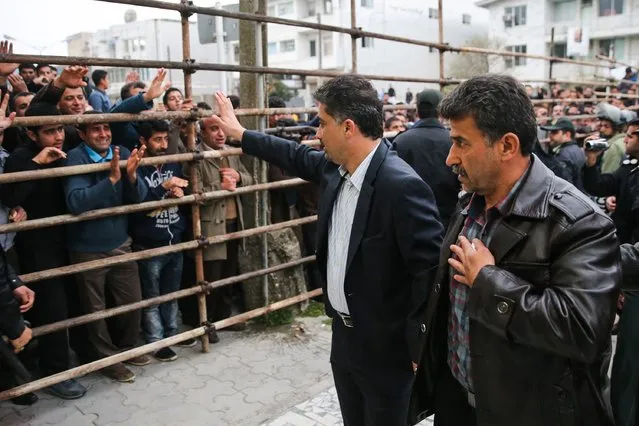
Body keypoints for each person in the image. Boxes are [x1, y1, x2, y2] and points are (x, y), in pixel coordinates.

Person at [209, 74, 443, 425]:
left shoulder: (401, 186)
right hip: (345, 340)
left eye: (322, 122)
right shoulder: (336, 170)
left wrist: (419, 347)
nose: (317, 132)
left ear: (348, 127)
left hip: (387, 352)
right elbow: (293, 155)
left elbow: (429, 273)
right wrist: (241, 134)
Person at [413, 74, 620, 426]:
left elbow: (582, 332)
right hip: (457, 404)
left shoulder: (579, 222)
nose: (450, 158)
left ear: (506, 146)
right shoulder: (470, 203)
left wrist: (489, 281)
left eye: (462, 143)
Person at [64, 111, 150, 383]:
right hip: (87, 248)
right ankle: (108, 359)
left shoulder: (121, 151)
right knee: (95, 309)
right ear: (82, 134)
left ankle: (127, 348)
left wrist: (132, 177)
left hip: (120, 241)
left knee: (131, 300)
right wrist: (111, 179)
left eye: (106, 127)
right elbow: (76, 203)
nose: (103, 133)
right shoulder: (76, 157)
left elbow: (139, 199)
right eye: (95, 129)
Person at [129, 120, 192, 360]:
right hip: (149, 242)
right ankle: (156, 340)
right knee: (152, 297)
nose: (163, 144)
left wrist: (178, 193)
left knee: (171, 292)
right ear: (144, 141)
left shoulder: (173, 163)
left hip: (174, 238)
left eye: (165, 139)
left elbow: (180, 191)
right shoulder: (138, 167)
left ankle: (173, 332)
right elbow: (139, 204)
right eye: (157, 139)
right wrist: (163, 188)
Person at [393, 89, 460, 229]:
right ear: (442, 112)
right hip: (449, 221)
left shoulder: (401, 141)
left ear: (417, 111)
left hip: (409, 221)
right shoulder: (455, 142)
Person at [539, 117, 586, 190]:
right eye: (551, 132)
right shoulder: (577, 149)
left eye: (555, 132)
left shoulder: (564, 155)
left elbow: (563, 185)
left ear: (567, 134)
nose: (550, 136)